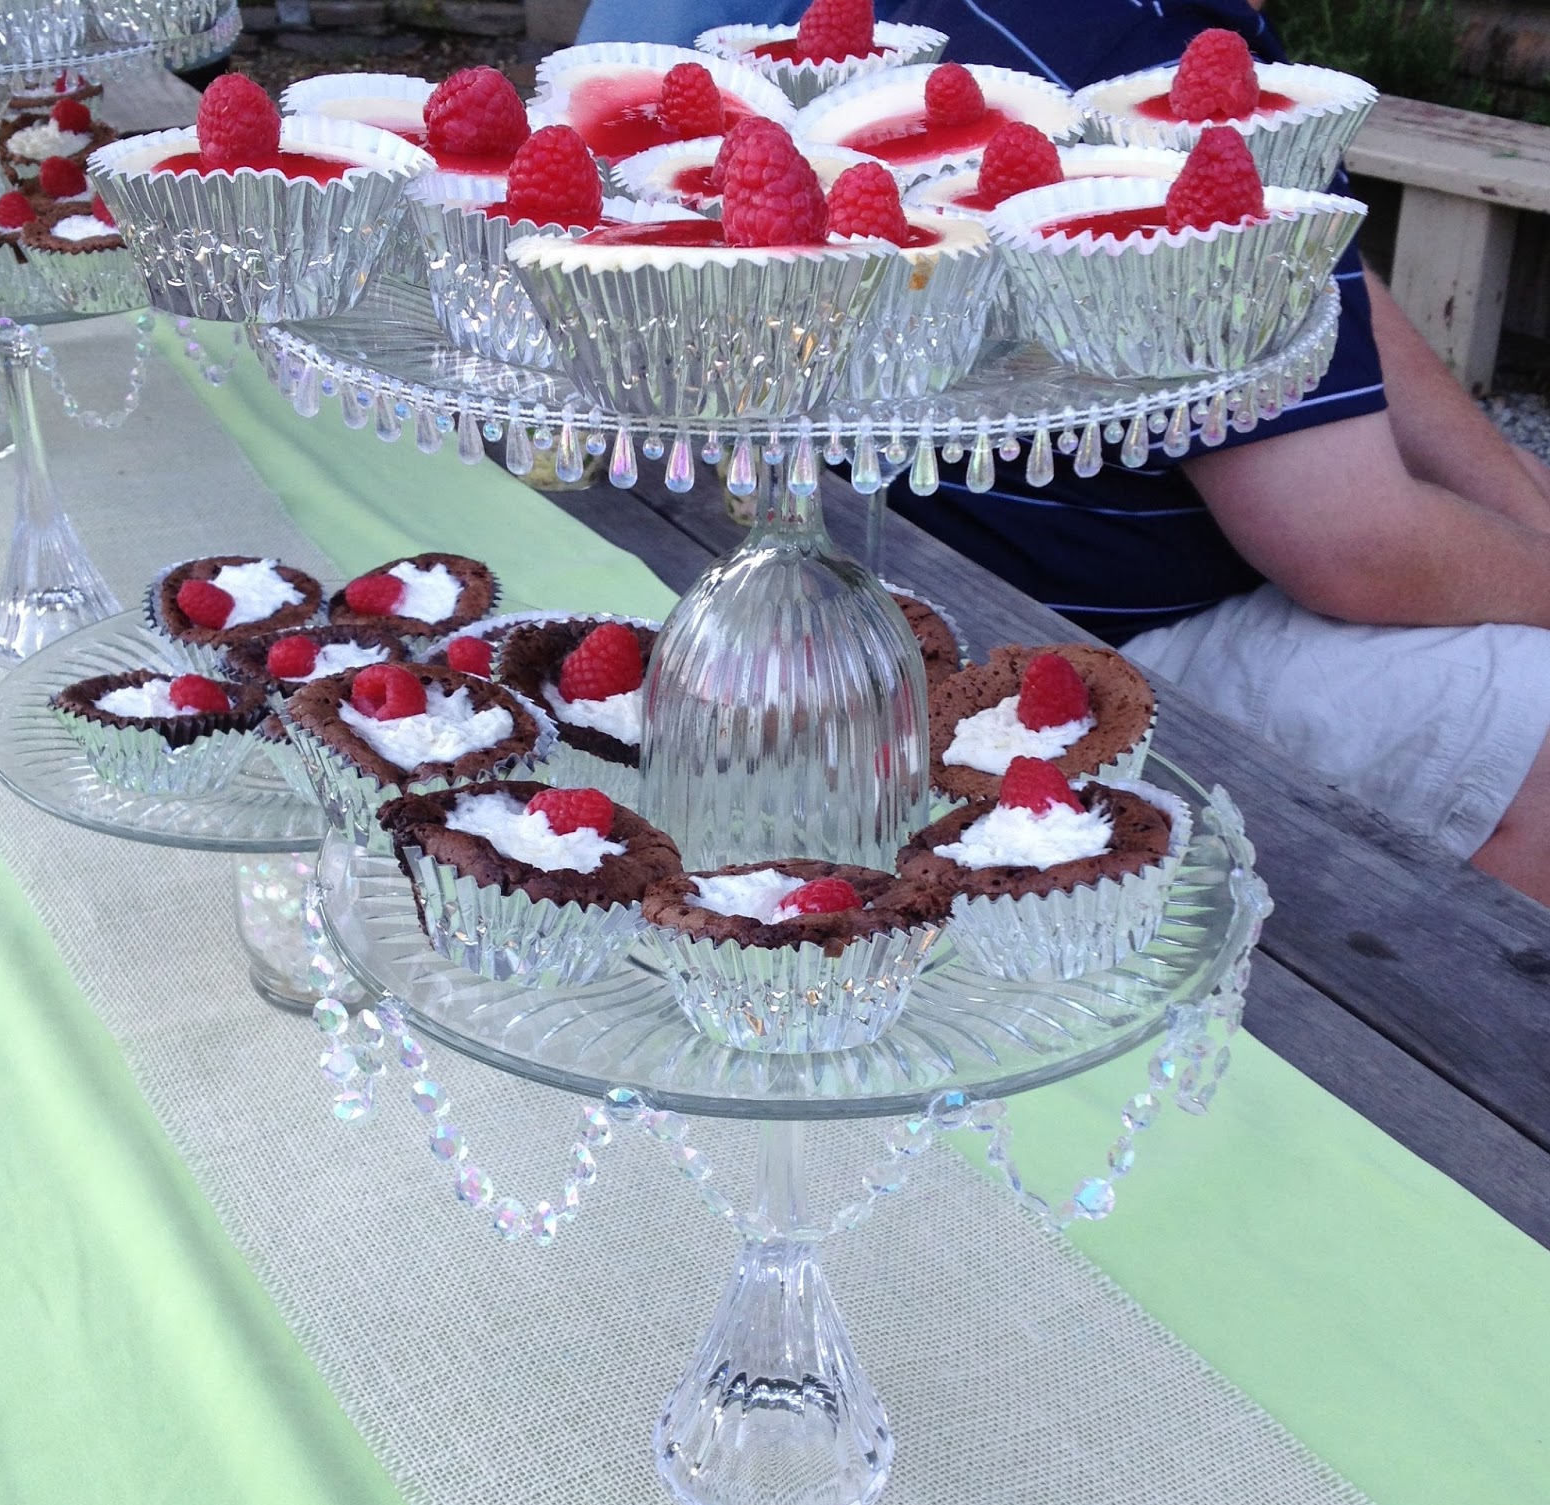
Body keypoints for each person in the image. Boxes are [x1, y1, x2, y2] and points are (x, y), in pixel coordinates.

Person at [575, 0, 1550, 905]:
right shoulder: (1147, 63)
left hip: (902, 562)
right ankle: (1390, 1072)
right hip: (1063, 644)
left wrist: (1522, 506)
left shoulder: (984, 29)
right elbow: (1353, 544)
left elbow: (1331, 297)